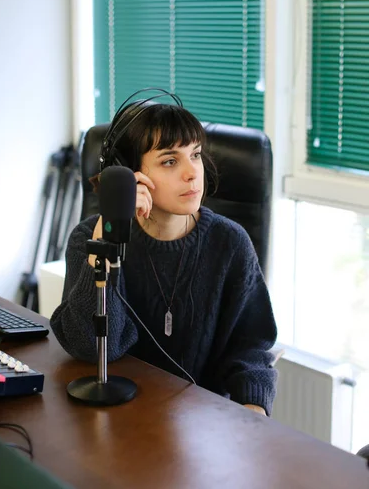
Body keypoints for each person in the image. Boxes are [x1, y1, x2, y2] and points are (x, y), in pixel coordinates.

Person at [50, 95, 278, 416]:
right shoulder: (89, 238)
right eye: (170, 161)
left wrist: (254, 411)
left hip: (204, 426)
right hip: (117, 415)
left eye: (195, 155)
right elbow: (91, 348)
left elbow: (250, 349)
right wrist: (109, 236)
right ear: (130, 175)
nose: (192, 173)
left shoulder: (230, 242)